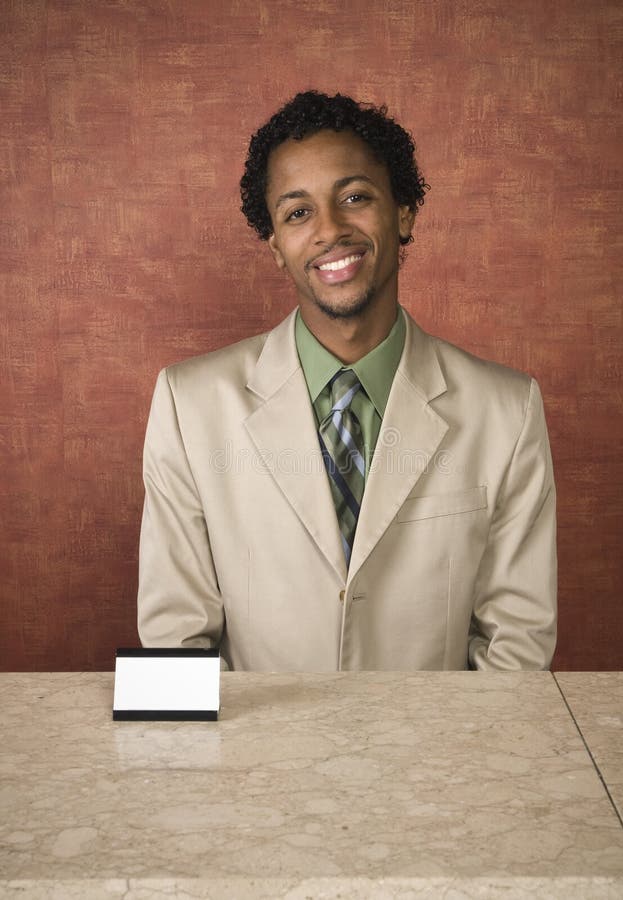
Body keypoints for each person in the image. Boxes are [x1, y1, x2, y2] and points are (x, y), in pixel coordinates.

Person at [137, 90, 557, 671]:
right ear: (277, 246)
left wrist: (454, 765)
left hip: (434, 758)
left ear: (404, 211)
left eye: (354, 197)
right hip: (256, 758)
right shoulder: (189, 404)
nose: (330, 230)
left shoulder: (507, 411)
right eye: (297, 212)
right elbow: (171, 641)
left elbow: (518, 648)